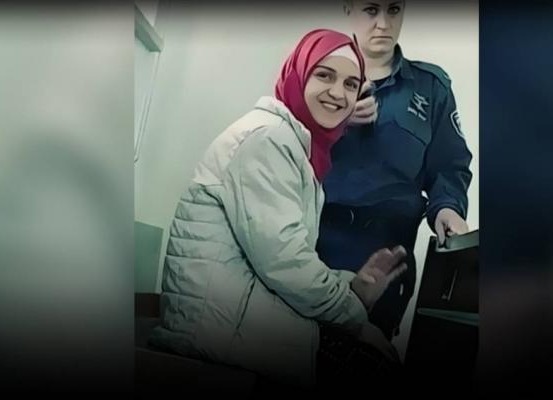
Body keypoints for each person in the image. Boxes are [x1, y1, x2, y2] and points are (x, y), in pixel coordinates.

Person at [149, 29, 407, 389]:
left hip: (236, 319)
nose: (338, 93)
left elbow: (282, 257)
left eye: (351, 84)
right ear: (297, 74)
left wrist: (353, 286)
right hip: (218, 330)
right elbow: (284, 263)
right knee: (379, 369)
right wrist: (354, 317)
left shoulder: (295, 145)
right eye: (324, 75)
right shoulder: (269, 139)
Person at [316, 0, 474, 339]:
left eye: (393, 10)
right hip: (315, 246)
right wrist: (335, 122)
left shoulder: (430, 87)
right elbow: (285, 146)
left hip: (387, 255)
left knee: (364, 357)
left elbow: (449, 166)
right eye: (371, 10)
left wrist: (447, 207)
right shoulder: (318, 76)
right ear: (348, 8)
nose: (384, 24)